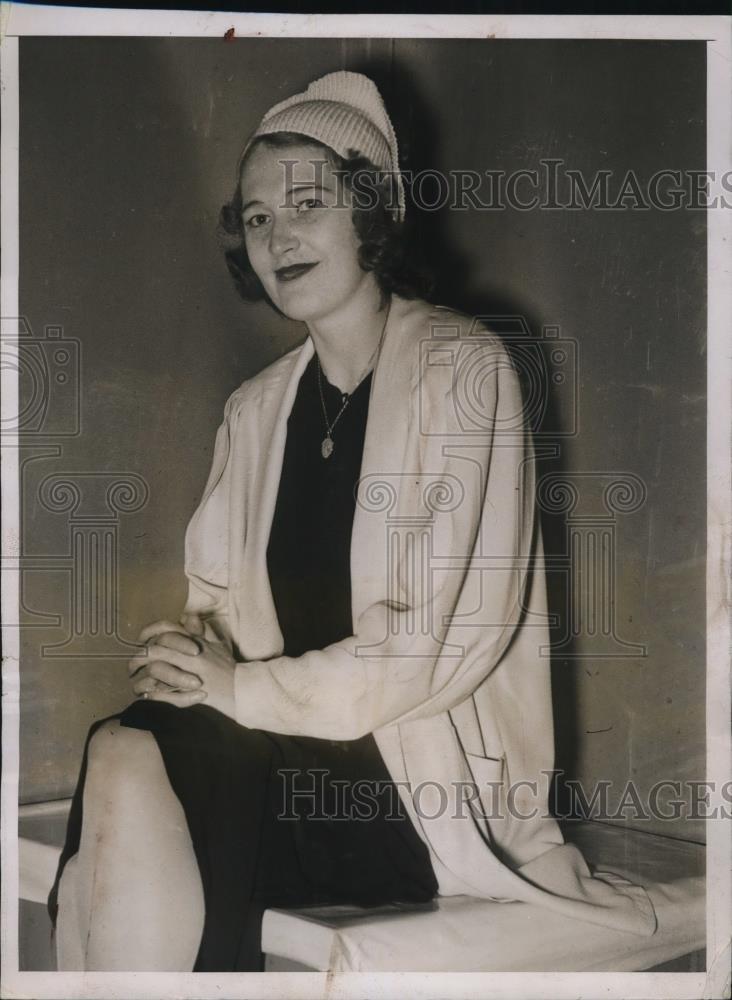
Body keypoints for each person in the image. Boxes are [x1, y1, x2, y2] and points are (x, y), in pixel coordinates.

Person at [49, 70, 657, 973]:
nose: (278, 234)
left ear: (370, 212)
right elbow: (218, 609)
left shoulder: (465, 369)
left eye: (306, 204)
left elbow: (426, 649)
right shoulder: (254, 410)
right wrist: (186, 662)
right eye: (257, 217)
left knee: (133, 763)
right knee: (125, 750)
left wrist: (232, 691)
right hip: (275, 752)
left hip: (418, 788)